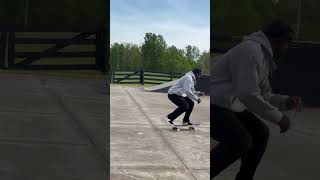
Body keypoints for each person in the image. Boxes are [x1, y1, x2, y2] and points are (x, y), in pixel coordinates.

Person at [211, 21, 303, 180]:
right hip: (213, 105)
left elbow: (264, 95)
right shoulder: (251, 51)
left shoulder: (264, 58)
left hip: (230, 106)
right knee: (240, 140)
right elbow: (248, 95)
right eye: (286, 44)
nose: (286, 49)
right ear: (279, 40)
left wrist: (285, 102)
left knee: (260, 133)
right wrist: (279, 118)